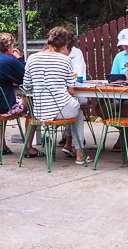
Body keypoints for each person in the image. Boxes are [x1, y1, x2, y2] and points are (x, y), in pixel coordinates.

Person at [23, 26, 88, 164]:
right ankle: (79, 155)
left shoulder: (32, 58)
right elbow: (71, 90)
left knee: (75, 108)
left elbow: (27, 87)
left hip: (39, 111)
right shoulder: (66, 61)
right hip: (60, 111)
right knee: (78, 110)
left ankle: (68, 145)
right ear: (64, 46)